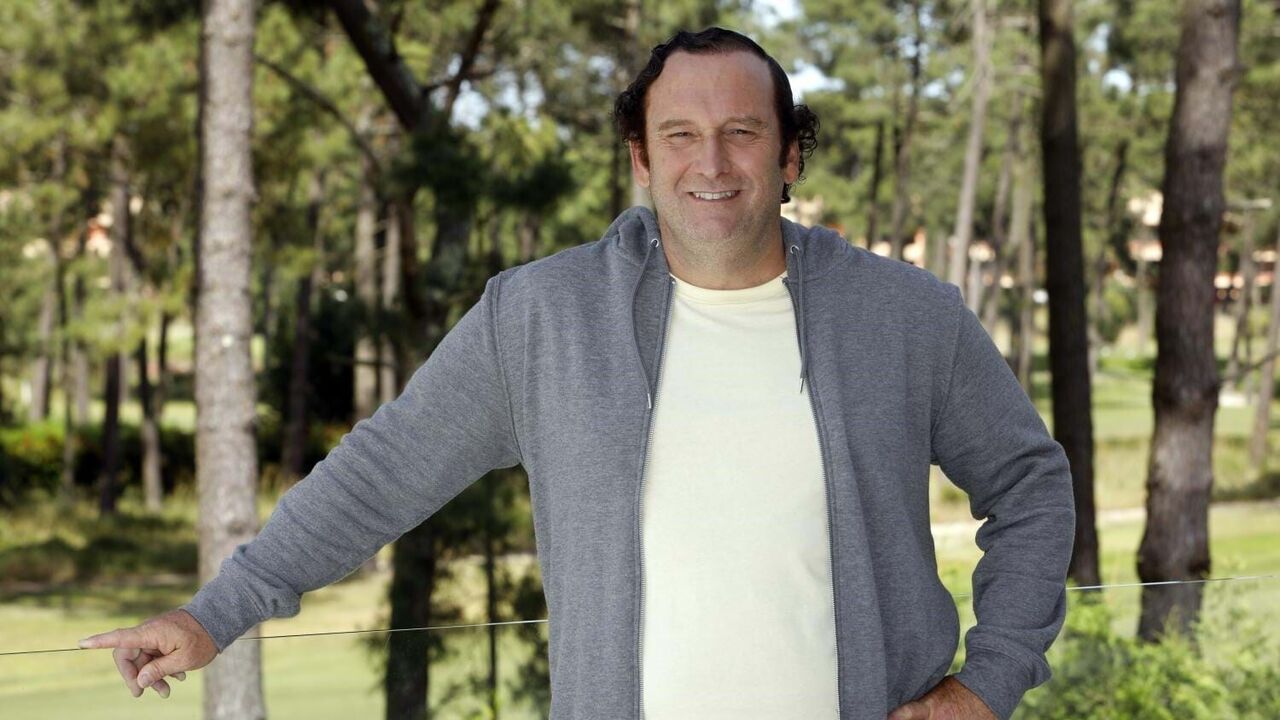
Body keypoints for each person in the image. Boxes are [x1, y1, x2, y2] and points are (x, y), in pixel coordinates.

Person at [82, 27, 1075, 720]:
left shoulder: (905, 317)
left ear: (789, 155)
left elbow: (1030, 484)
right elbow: (380, 475)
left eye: (741, 132)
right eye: (679, 135)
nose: (711, 162)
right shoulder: (541, 320)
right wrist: (214, 614)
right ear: (640, 158)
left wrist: (985, 683)